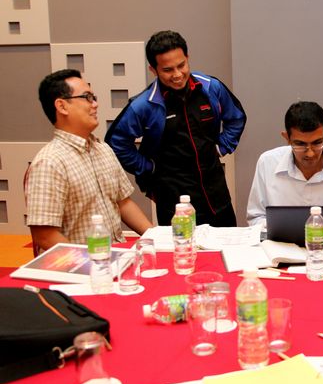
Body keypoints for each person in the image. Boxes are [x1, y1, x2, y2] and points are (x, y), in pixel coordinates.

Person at [106, 30, 246, 226]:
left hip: (216, 192)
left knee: (227, 244)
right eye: (168, 70)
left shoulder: (211, 87)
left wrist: (221, 147)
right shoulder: (143, 105)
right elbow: (116, 143)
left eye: (181, 65)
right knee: (181, 246)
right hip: (173, 199)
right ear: (153, 70)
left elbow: (236, 118)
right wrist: (148, 167)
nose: (177, 75)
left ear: (187, 58)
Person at [26, 69, 153, 251]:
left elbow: (123, 203)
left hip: (116, 257)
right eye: (87, 97)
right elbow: (44, 235)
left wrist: (156, 238)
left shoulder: (103, 149)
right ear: (62, 106)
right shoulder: (49, 162)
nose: (95, 104)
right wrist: (88, 262)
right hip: (79, 264)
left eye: (94, 97)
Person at [246, 101, 323, 227]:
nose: (310, 153)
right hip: (281, 240)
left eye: (317, 143)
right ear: (287, 138)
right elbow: (256, 216)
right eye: (300, 144)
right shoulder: (267, 163)